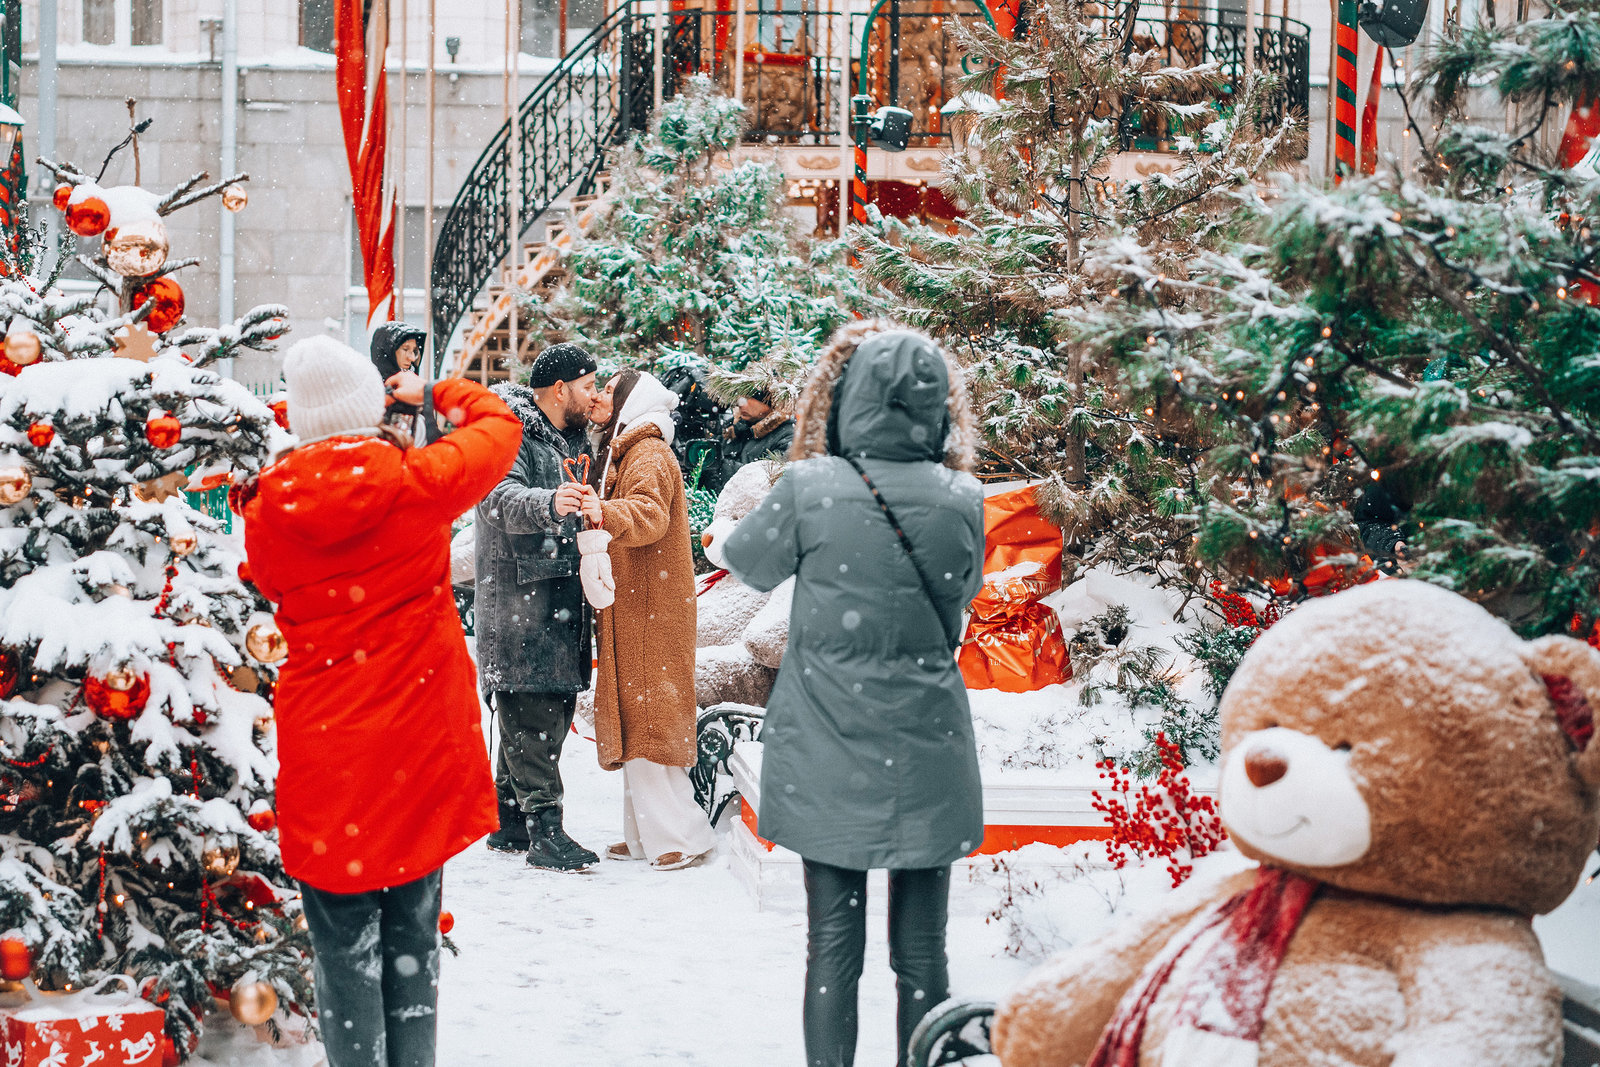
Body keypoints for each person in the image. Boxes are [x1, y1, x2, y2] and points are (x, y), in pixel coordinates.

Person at [238, 335, 521, 1067]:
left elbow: (267, 579)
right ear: (371, 405)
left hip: (326, 751)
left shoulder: (269, 508)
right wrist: (432, 393)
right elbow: (499, 427)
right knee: (413, 943)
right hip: (417, 749)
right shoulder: (416, 482)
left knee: (341, 951)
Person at [722, 321, 986, 1067]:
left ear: (848, 400)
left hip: (828, 743)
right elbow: (960, 590)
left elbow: (747, 563)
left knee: (832, 948)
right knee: (923, 951)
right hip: (929, 744)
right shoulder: (961, 497)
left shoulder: (812, 489)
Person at [580, 369, 717, 870]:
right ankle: (645, 837)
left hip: (650, 609)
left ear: (629, 403)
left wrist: (604, 512)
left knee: (650, 721)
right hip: (642, 603)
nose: (596, 397)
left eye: (607, 391)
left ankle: (682, 837)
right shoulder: (633, 448)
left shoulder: (649, 452)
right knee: (640, 719)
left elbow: (649, 514)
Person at [475, 342, 602, 871]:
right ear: (559, 389)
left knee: (543, 703)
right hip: (518, 598)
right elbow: (496, 496)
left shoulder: (566, 437)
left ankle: (509, 819)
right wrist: (549, 504)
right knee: (531, 708)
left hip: (551, 595)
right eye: (589, 387)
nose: (595, 397)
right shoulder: (510, 434)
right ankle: (545, 831)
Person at [369, 321, 440, 443]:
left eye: (414, 351)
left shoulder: (415, 390)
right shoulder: (370, 394)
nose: (412, 358)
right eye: (405, 349)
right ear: (387, 352)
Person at [721, 385, 794, 483]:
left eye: (747, 398)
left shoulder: (789, 436)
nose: (740, 404)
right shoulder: (734, 429)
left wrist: (720, 466)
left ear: (769, 402)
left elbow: (766, 480)